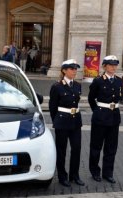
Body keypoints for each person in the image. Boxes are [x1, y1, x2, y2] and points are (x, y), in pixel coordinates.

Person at [49, 59, 85, 187]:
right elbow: (52, 107)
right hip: (62, 122)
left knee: (76, 149)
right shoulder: (57, 86)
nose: (74, 71)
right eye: (71, 68)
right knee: (61, 150)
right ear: (64, 70)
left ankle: (74, 175)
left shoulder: (77, 85)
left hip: (76, 121)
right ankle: (62, 176)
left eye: (75, 68)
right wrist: (57, 121)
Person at [88, 55, 123, 184]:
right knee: (96, 147)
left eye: (115, 65)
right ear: (104, 66)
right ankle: (95, 172)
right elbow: (91, 99)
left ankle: (108, 173)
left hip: (114, 118)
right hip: (100, 117)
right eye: (111, 65)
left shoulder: (119, 81)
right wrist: (97, 111)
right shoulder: (98, 81)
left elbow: (120, 96)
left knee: (111, 147)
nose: (114, 67)